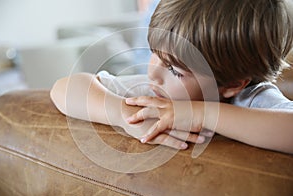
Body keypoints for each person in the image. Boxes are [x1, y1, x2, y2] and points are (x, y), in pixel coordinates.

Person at [50, 0, 293, 154]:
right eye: (154, 55)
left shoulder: (252, 99)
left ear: (231, 85)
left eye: (175, 70)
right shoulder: (156, 91)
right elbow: (64, 88)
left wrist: (201, 114)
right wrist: (122, 115)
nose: (153, 73)